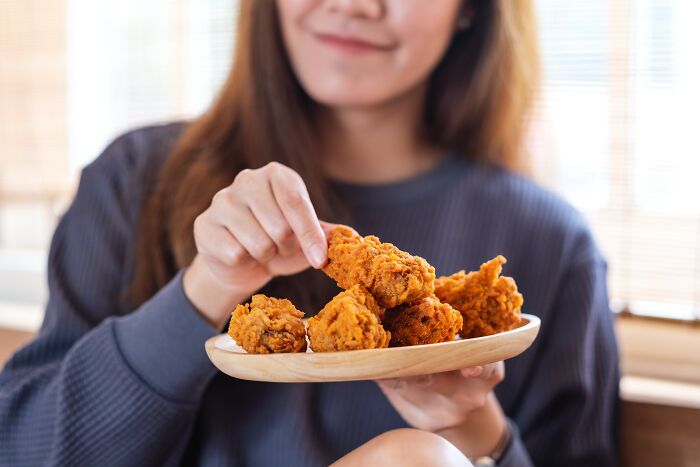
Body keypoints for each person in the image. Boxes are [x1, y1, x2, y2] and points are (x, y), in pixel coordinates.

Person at [0, 1, 619, 466]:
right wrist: (206, 286)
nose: (355, 5)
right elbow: (24, 450)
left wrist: (471, 428)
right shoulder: (133, 182)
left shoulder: (552, 245)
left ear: (472, 10)